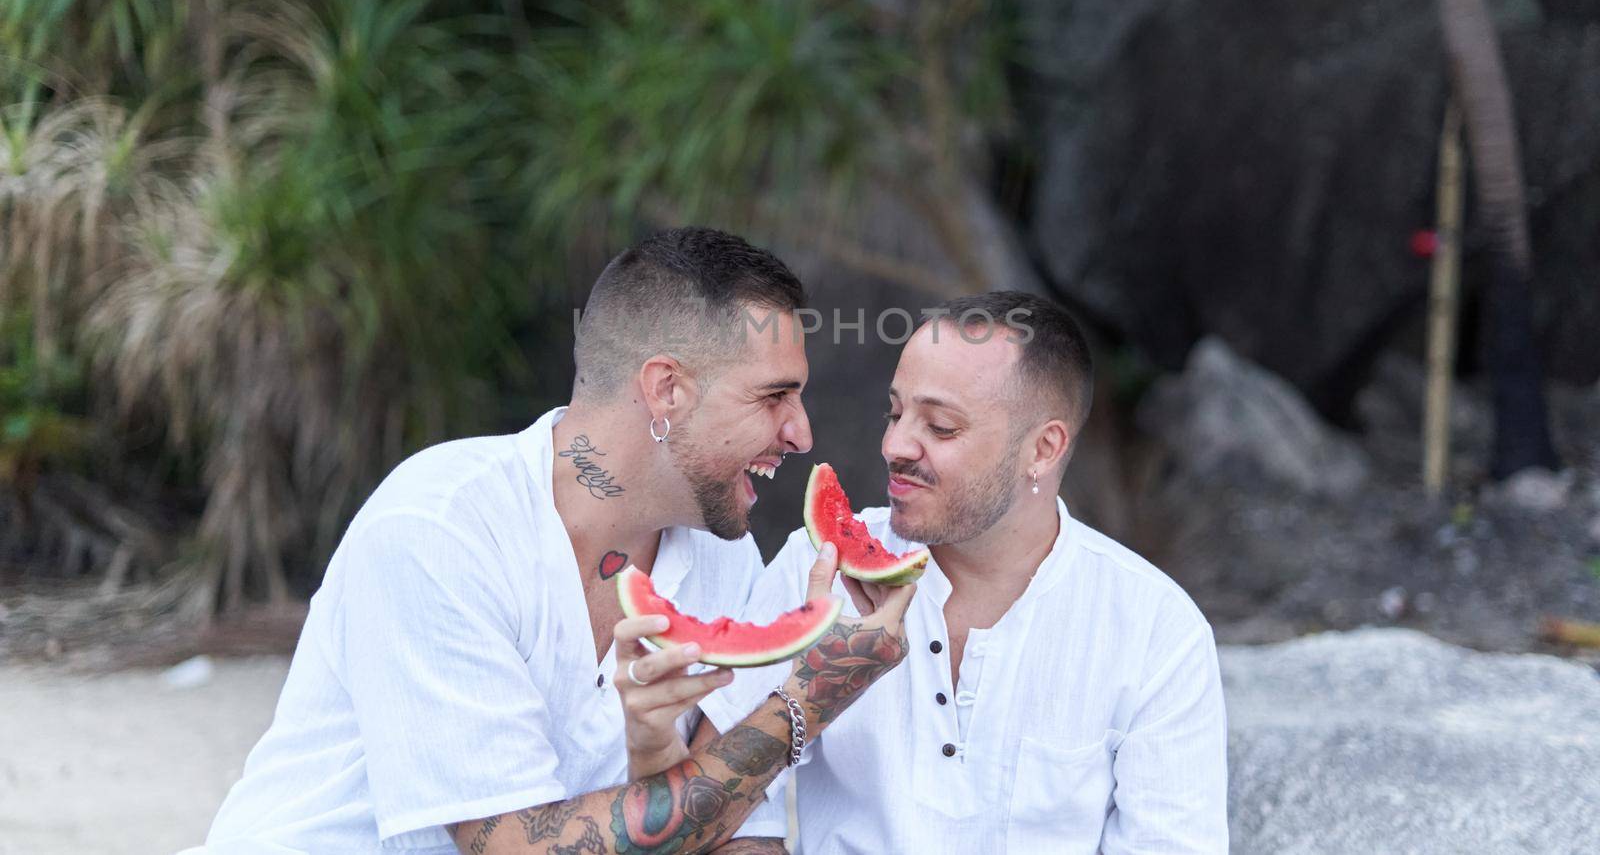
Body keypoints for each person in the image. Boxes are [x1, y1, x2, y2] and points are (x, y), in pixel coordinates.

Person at [202, 227, 914, 855]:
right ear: (667, 389)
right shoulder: (441, 530)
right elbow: (515, 846)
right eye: (772, 396)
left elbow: (725, 827)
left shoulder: (721, 554)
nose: (802, 433)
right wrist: (806, 699)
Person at [628, 291, 1228, 853]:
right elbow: (721, 817)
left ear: (1042, 450)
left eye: (940, 426)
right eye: (895, 413)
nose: (895, 445)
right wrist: (812, 696)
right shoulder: (817, 568)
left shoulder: (1158, 633)